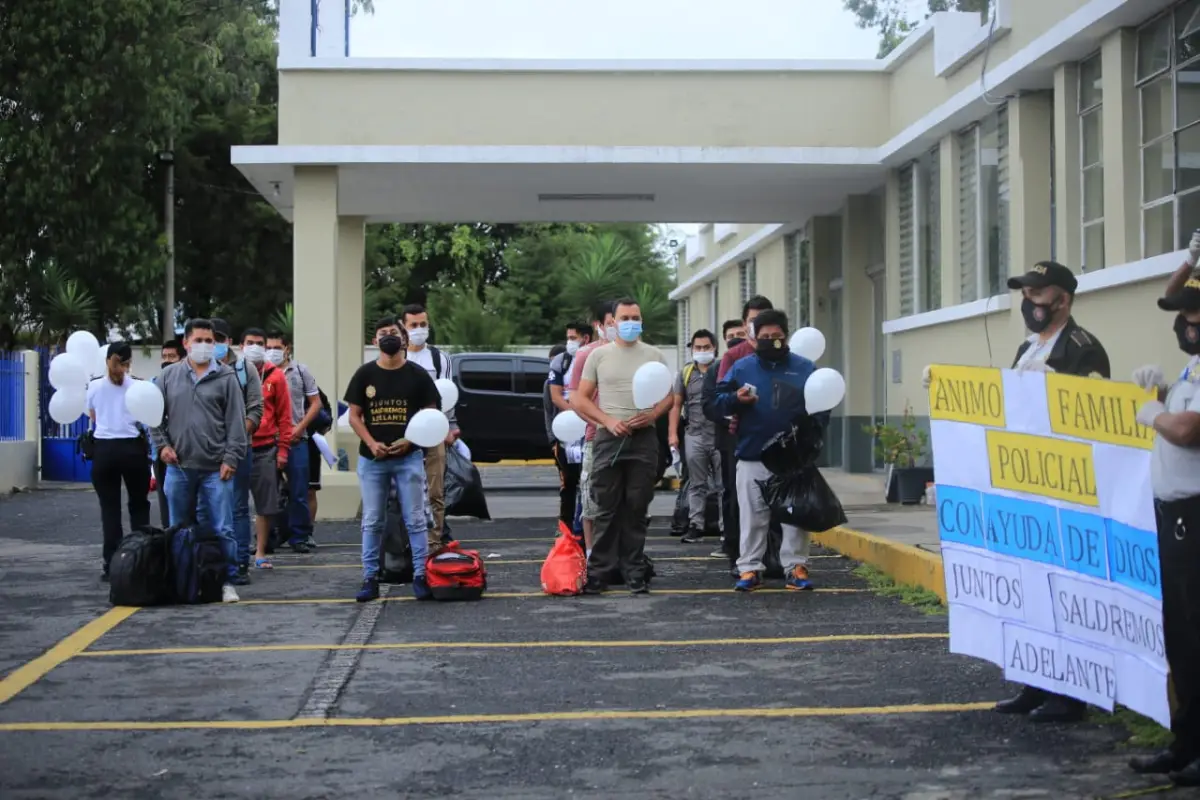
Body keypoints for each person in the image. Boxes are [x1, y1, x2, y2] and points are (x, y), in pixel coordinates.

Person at [923, 260, 1110, 723]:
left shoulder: (1082, 349)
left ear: (1063, 299)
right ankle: (1035, 683)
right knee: (1031, 593)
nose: (1029, 302)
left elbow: (1089, 419)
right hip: (1025, 490)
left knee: (1062, 595)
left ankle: (1069, 696)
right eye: (1025, 294)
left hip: (1062, 494)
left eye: (1039, 294)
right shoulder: (1029, 347)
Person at [1127, 275, 1200, 786]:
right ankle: (1186, 744)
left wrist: (1154, 412)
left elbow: (1188, 429)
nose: (1185, 325)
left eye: (1194, 319)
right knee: (1182, 640)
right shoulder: (1194, 365)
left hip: (1195, 517)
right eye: (1184, 317)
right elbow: (1172, 293)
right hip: (1175, 519)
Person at [714, 309, 819, 592]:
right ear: (754, 338)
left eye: (777, 337)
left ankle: (796, 566)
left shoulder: (806, 367)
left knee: (795, 516)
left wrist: (812, 440)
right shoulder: (742, 367)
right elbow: (714, 402)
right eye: (764, 337)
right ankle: (749, 569)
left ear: (786, 337)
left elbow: (822, 406)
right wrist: (735, 399)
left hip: (793, 457)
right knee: (752, 516)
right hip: (752, 453)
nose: (771, 341)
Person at [571, 298, 671, 594]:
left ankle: (634, 572)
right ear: (612, 321)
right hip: (607, 438)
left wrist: (653, 414)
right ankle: (599, 573)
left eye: (636, 317)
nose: (631, 322)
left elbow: (669, 396)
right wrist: (608, 420)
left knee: (637, 507)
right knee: (605, 508)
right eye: (625, 317)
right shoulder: (598, 356)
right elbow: (579, 398)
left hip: (643, 439)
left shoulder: (654, 355)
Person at [345, 316, 441, 603]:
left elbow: (431, 414)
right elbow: (353, 415)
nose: (389, 337)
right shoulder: (364, 375)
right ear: (375, 341)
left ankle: (421, 576)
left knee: (415, 519)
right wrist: (371, 443)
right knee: (373, 520)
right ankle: (369, 578)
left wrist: (410, 441)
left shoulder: (417, 375)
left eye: (393, 333)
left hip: (408, 458)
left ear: (404, 339)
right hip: (372, 460)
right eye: (382, 333)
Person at [152, 318, 248, 604]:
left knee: (223, 528)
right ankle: (180, 580)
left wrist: (231, 458)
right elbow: (153, 416)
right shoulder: (168, 377)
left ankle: (227, 581)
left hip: (215, 469)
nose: (205, 346)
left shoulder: (227, 377)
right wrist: (162, 446)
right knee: (177, 527)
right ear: (186, 343)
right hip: (178, 467)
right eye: (199, 340)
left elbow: (236, 423)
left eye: (210, 341)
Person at [703, 297, 776, 569]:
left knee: (776, 495)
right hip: (738, 436)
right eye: (752, 321)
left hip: (775, 436)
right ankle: (738, 555)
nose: (758, 328)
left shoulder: (784, 355)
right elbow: (719, 398)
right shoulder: (735, 356)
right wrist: (737, 401)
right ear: (745, 325)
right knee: (738, 497)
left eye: (764, 321)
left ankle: (775, 556)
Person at [87, 342, 151, 581]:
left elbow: (93, 416)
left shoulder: (94, 387)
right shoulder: (139, 386)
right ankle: (142, 558)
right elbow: (145, 417)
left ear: (107, 360)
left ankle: (111, 564)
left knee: (110, 508)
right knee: (139, 505)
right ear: (129, 362)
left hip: (104, 449)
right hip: (132, 448)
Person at [401, 304, 460, 549]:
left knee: (435, 491)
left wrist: (449, 428)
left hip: (434, 433)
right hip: (403, 434)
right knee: (404, 491)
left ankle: (434, 541)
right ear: (403, 328)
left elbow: (447, 396)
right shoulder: (398, 358)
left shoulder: (439, 358)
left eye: (423, 324)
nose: (419, 329)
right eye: (413, 325)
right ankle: (406, 542)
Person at [210, 318, 262, 584]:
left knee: (239, 507)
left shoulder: (244, 369)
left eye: (219, 339)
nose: (214, 344)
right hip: (207, 450)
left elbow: (255, 407)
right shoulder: (196, 369)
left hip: (240, 449)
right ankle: (210, 561)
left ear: (229, 341)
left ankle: (240, 562)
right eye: (210, 339)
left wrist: (237, 437)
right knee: (209, 507)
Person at [566, 300, 618, 557]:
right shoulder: (586, 355)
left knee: (625, 499)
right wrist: (598, 422)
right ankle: (590, 553)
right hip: (595, 437)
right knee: (590, 498)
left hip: (628, 436)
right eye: (611, 323)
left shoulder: (635, 353)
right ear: (599, 325)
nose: (617, 327)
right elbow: (575, 399)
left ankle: (624, 554)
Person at [240, 327, 294, 571]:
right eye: (250, 342)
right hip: (237, 448)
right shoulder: (233, 373)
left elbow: (285, 417)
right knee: (233, 503)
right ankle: (237, 552)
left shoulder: (276, 376)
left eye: (259, 343)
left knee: (265, 504)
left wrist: (283, 450)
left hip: (265, 448)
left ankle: (260, 551)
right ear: (241, 346)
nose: (255, 347)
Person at [265, 331, 321, 553]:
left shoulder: (300, 371)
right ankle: (267, 537)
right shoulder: (259, 371)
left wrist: (300, 428)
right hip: (268, 441)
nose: (272, 351)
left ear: (287, 348)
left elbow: (315, 403)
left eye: (277, 347)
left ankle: (300, 536)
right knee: (267, 492)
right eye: (268, 346)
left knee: (299, 491)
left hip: (296, 440)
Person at [669, 329, 722, 544]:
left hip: (720, 435)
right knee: (696, 484)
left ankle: (725, 527)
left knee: (723, 485)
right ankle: (695, 525)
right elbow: (676, 404)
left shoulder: (723, 370)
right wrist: (673, 434)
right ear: (692, 349)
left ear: (714, 348)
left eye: (706, 347)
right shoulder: (686, 373)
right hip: (694, 434)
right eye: (698, 347)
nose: (702, 351)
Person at [548, 322, 591, 532]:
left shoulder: (594, 358)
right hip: (566, 429)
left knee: (589, 479)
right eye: (568, 338)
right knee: (568, 481)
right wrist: (574, 414)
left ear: (586, 339)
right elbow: (555, 396)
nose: (569, 342)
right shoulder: (560, 361)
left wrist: (586, 416)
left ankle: (584, 524)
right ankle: (565, 526)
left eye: (574, 338)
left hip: (590, 428)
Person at [152, 340, 186, 528]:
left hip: (186, 452)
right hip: (162, 453)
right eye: (164, 357)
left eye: (171, 356)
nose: (167, 360)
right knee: (166, 502)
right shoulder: (154, 383)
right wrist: (161, 446)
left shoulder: (187, 385)